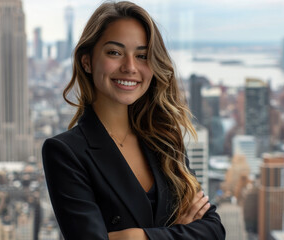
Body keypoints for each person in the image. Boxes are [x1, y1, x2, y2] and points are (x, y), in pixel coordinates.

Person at [42, 1, 225, 239]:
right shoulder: (65, 152)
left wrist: (133, 237)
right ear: (87, 61)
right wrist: (176, 232)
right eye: (115, 53)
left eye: (142, 55)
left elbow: (214, 229)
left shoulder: (164, 138)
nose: (130, 67)